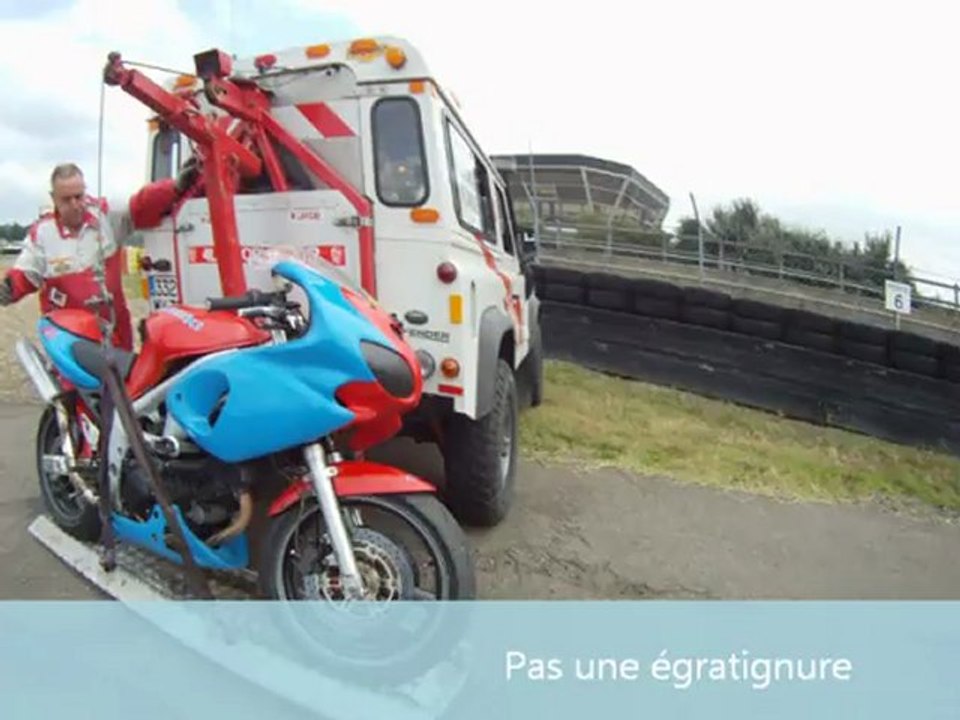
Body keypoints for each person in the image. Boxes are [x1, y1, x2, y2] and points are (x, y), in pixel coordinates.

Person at [0, 162, 197, 350]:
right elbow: (23, 277)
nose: (75, 204)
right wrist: (6, 290)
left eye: (79, 196)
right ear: (53, 199)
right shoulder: (43, 234)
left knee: (122, 380)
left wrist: (175, 187)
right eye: (66, 199)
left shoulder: (106, 215)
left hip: (114, 334)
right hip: (68, 338)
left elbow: (141, 205)